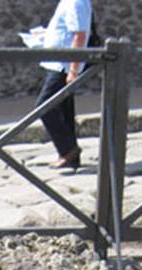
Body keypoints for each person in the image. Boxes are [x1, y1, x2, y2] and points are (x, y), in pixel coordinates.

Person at [36, 0, 93, 170]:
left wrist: (74, 70)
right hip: (58, 63)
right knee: (64, 110)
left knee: (44, 106)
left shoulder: (76, 2)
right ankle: (70, 156)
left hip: (64, 66)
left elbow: (79, 35)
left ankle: (68, 150)